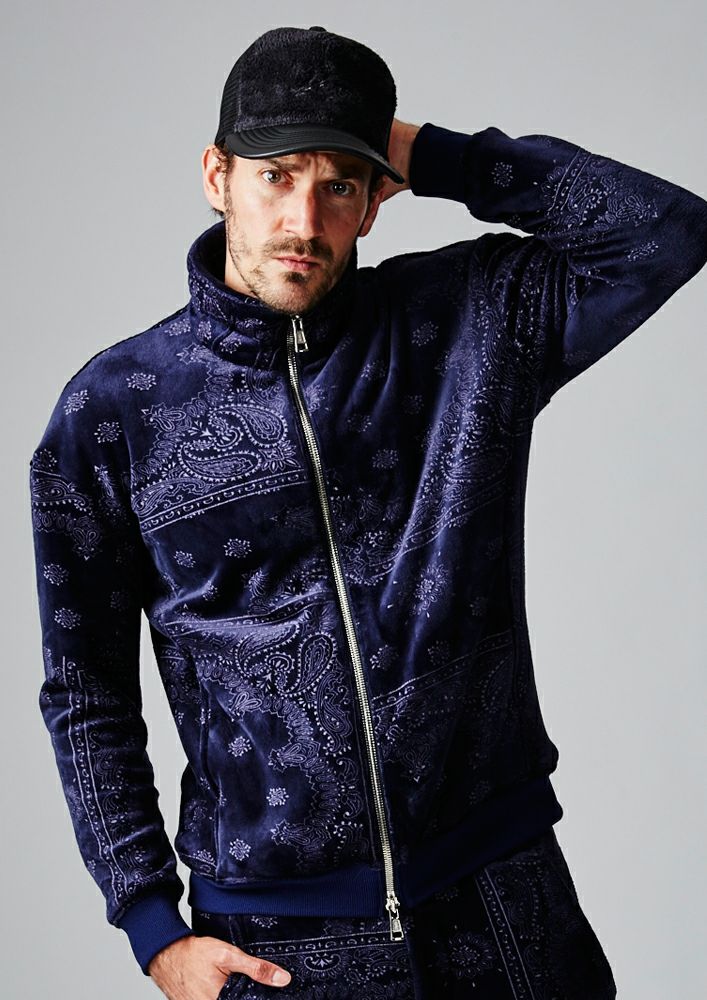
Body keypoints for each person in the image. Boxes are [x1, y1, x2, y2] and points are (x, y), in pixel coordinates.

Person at [28, 23, 707, 1000]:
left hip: (506, 910)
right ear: (217, 176)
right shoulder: (113, 413)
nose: (303, 218)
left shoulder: (466, 324)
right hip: (278, 943)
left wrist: (426, 154)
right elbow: (84, 686)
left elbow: (664, 233)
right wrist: (152, 927)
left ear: (375, 198)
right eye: (275, 177)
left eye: (338, 185)